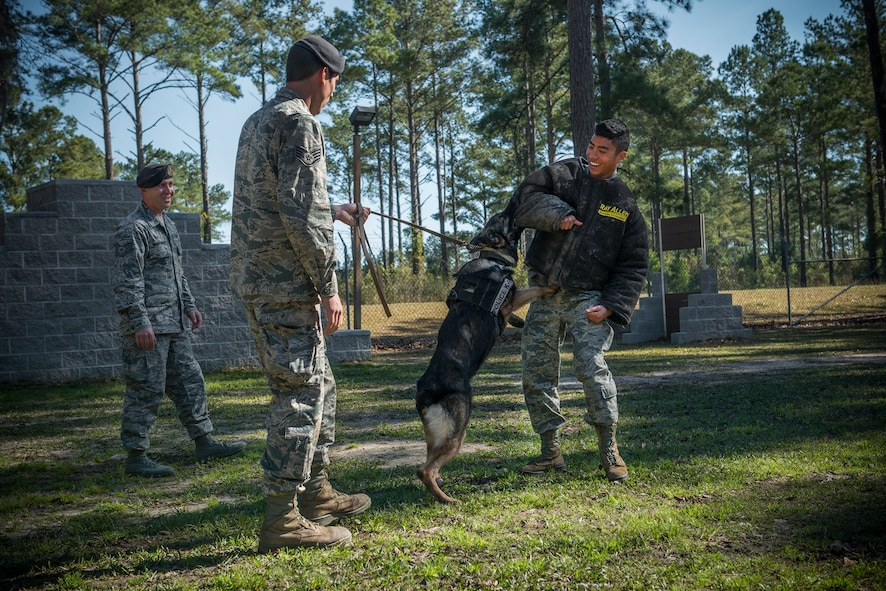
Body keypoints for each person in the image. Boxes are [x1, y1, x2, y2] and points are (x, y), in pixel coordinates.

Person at [230, 35, 371, 551]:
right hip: (286, 286)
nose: (333, 92)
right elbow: (302, 216)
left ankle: (316, 493)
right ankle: (281, 520)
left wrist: (332, 210)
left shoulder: (258, 119)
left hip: (263, 278)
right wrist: (328, 286)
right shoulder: (300, 121)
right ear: (323, 76)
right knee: (299, 395)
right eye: (335, 82)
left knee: (321, 386)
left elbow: (276, 200)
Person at [510, 119, 649, 482]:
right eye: (591, 146)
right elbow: (525, 198)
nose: (592, 155)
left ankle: (609, 448)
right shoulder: (565, 174)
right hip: (544, 292)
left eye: (603, 150)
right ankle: (549, 451)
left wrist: (613, 305)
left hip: (590, 299)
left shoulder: (624, 203)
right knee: (536, 373)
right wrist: (558, 216)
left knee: (591, 368)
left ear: (621, 156)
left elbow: (634, 263)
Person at [113, 162, 247, 478]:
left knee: (189, 382)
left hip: (175, 323)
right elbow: (127, 280)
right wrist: (139, 322)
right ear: (144, 190)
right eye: (162, 185)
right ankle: (136, 456)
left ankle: (204, 442)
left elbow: (178, 273)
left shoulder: (168, 226)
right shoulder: (133, 229)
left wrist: (189, 305)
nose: (169, 190)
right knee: (145, 389)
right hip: (149, 328)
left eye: (171, 184)